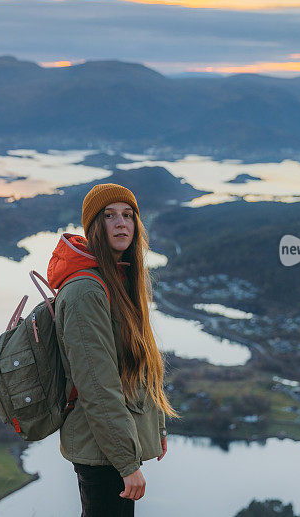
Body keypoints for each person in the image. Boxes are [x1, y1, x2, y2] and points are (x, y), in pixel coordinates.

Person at [46, 183, 178, 516]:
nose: (121, 223)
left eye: (128, 215)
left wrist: (155, 426)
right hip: (102, 452)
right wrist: (126, 462)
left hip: (110, 445)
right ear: (93, 228)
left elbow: (138, 365)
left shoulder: (118, 279)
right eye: (109, 216)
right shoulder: (85, 292)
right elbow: (97, 385)